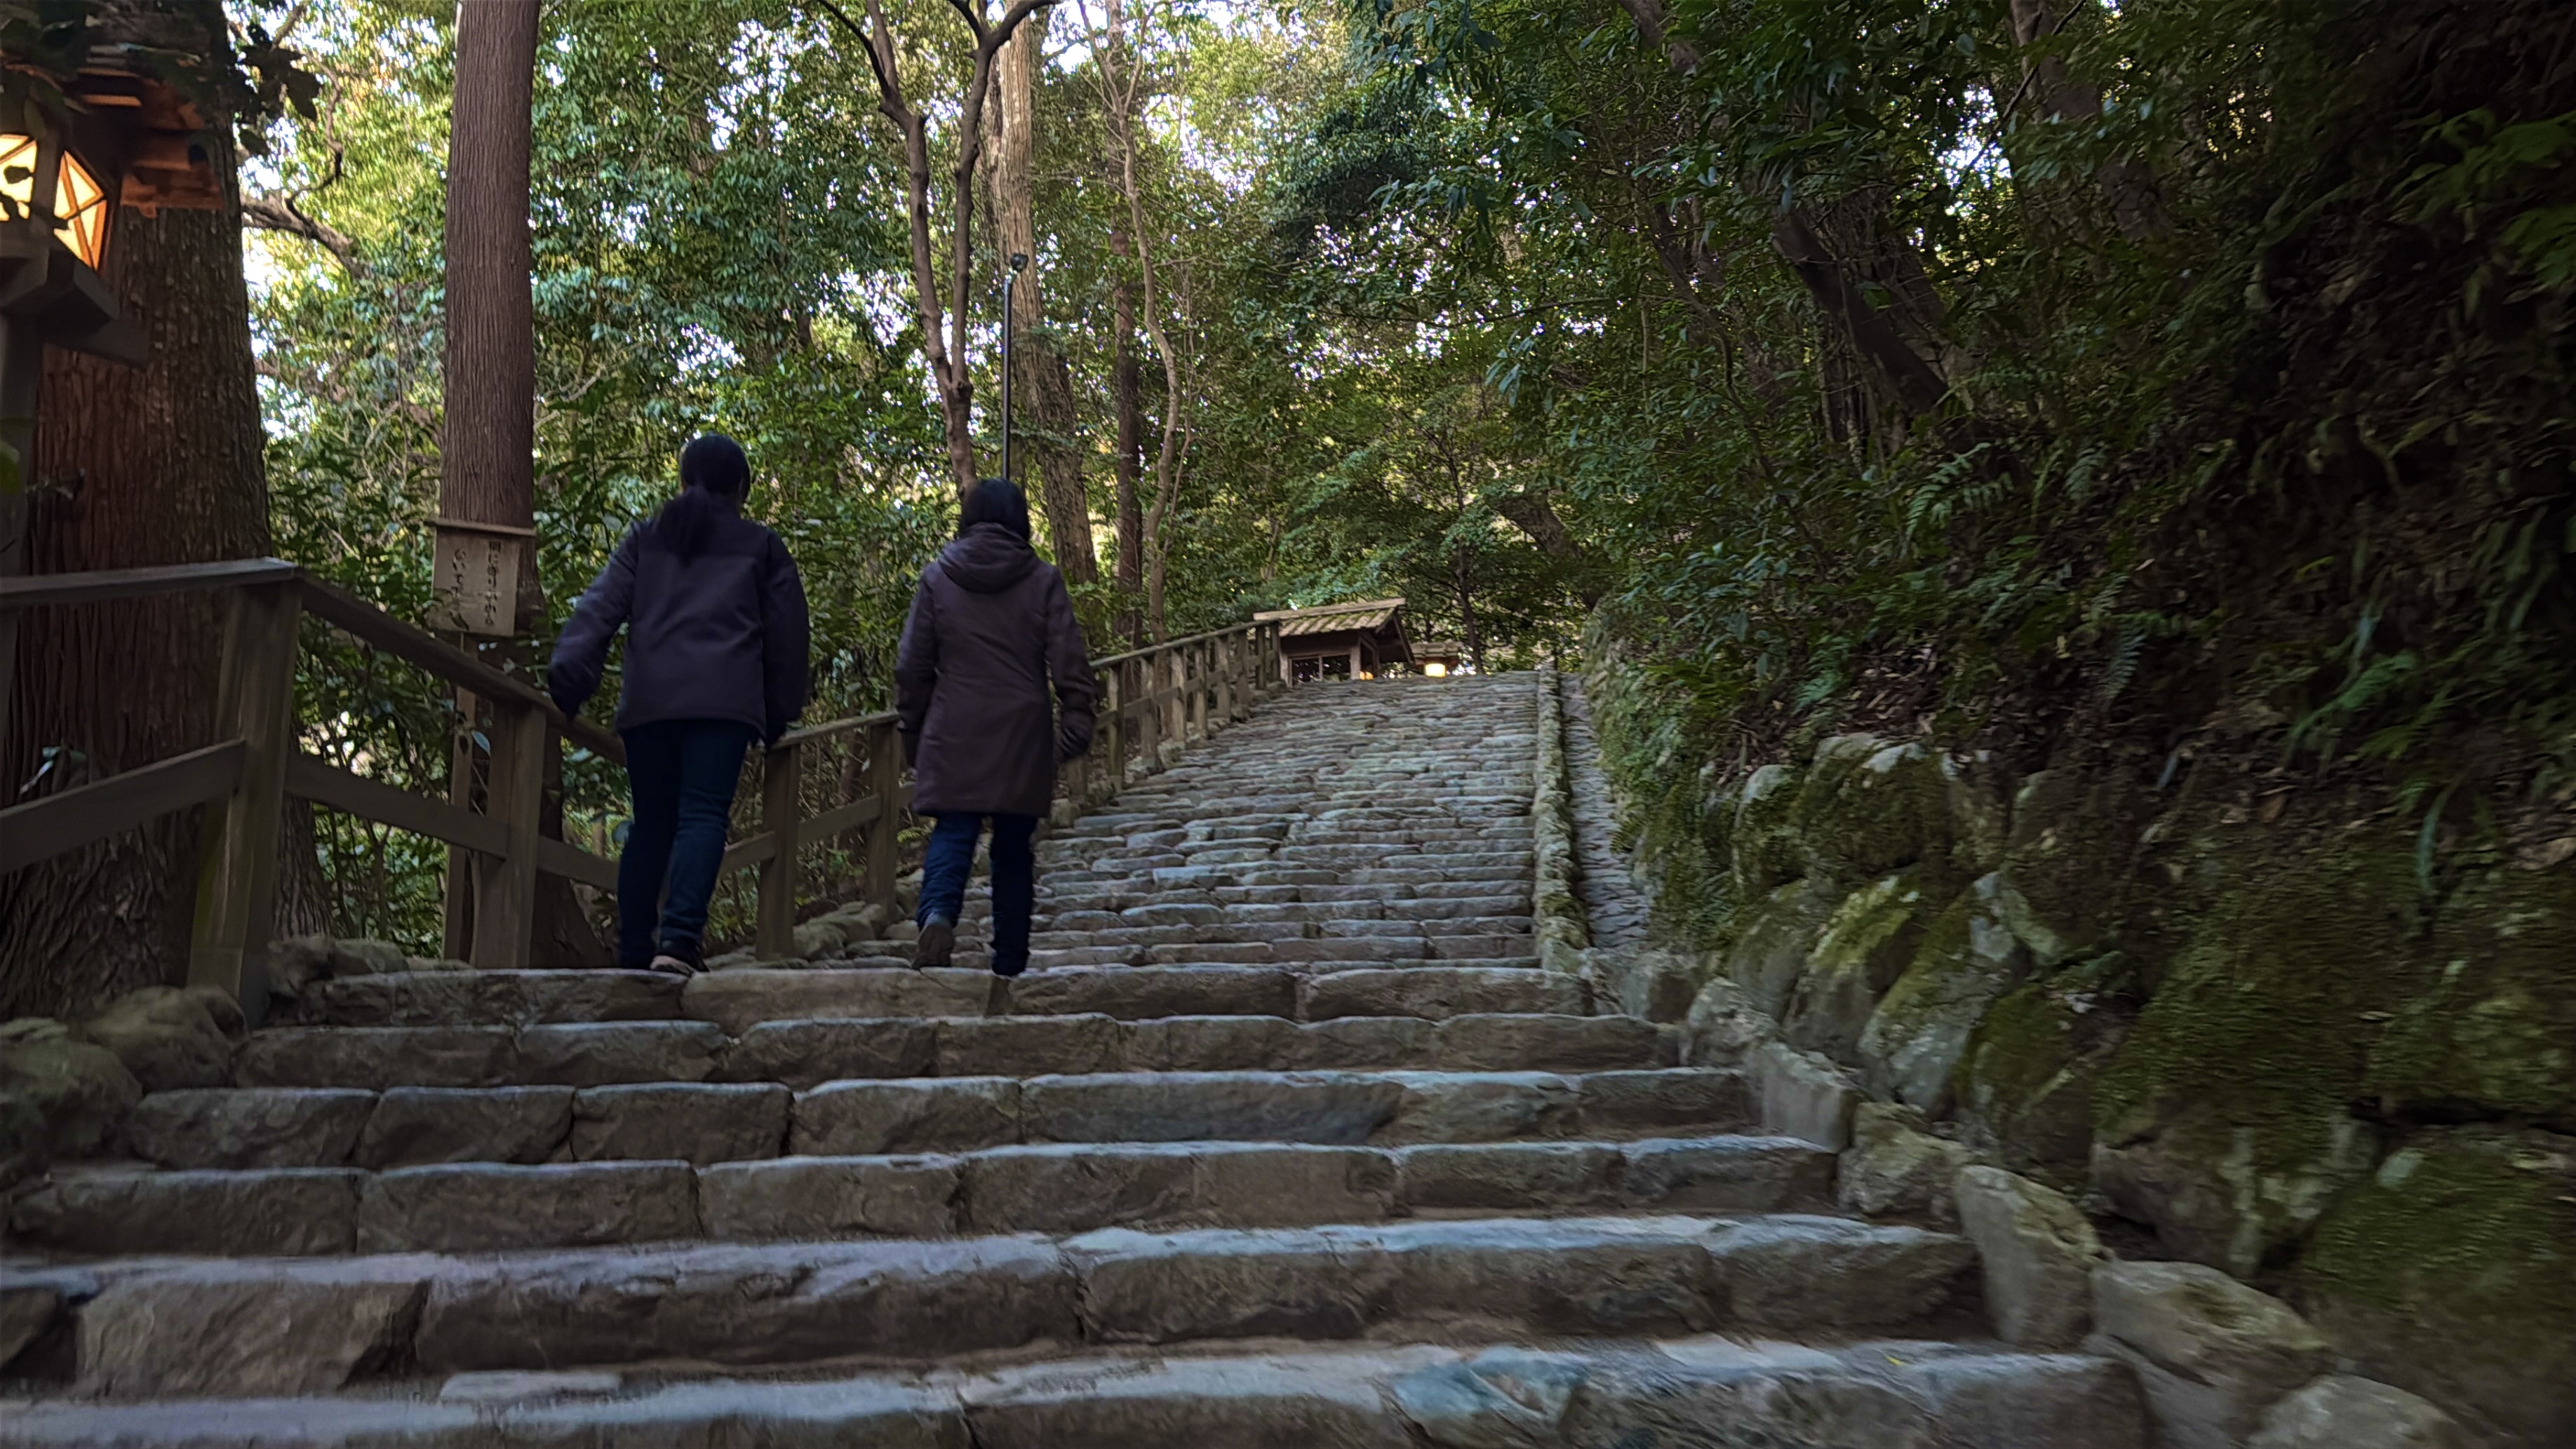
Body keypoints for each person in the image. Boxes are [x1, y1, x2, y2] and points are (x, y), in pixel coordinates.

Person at [549, 433, 810, 976]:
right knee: (703, 815)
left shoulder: (646, 539)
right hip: (723, 705)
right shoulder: (761, 546)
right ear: (740, 489)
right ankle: (680, 940)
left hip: (651, 704)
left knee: (652, 824)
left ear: (682, 481)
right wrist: (778, 709)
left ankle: (635, 949)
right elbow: (787, 635)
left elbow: (600, 608)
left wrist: (571, 678)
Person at [895, 478, 1096, 976]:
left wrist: (913, 731)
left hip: (954, 723)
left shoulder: (937, 577)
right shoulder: (1043, 578)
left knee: (954, 828)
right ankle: (1009, 960)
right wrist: (1076, 721)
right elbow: (1069, 660)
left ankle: (939, 913)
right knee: (1012, 846)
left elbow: (913, 666)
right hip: (1021, 727)